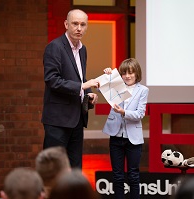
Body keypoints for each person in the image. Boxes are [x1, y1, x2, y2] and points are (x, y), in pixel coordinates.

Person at [41, 9, 99, 169]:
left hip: (77, 118)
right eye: (75, 23)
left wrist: (88, 93)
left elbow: (80, 78)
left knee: (75, 169)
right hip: (58, 120)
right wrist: (82, 86)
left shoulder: (83, 49)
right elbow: (52, 80)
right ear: (66, 24)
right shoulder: (54, 47)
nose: (79, 28)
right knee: (53, 169)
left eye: (83, 24)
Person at [102, 58, 149, 199]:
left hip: (133, 139)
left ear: (137, 73)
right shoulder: (117, 85)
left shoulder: (143, 90)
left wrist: (124, 113)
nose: (127, 76)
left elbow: (140, 114)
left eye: (131, 73)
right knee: (117, 176)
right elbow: (99, 88)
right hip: (116, 136)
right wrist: (108, 76)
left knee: (133, 175)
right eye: (124, 73)